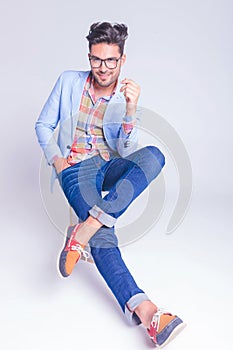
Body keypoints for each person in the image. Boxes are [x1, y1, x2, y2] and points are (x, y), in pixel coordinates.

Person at [35, 22, 185, 347]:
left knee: (155, 155)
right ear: (89, 57)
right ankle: (149, 313)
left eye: (110, 61)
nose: (102, 69)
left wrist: (131, 108)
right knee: (105, 236)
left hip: (109, 164)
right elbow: (43, 123)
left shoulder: (124, 93)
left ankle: (84, 228)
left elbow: (127, 149)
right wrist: (57, 160)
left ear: (122, 59)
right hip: (77, 170)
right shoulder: (68, 82)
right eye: (96, 60)